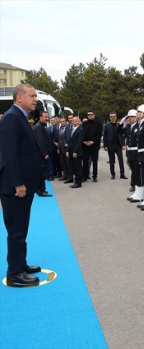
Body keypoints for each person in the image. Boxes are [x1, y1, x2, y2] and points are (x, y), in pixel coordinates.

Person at [0, 84, 43, 285]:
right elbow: (10, 153)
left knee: (21, 228)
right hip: (15, 187)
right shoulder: (11, 117)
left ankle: (20, 263)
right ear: (19, 98)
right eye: (32, 96)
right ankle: (15, 273)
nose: (35, 99)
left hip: (23, 185)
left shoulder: (19, 116)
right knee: (16, 230)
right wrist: (18, 182)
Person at [33, 111, 53, 197]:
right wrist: (45, 153)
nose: (47, 118)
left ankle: (39, 189)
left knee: (41, 172)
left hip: (41, 154)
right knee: (42, 173)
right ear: (40, 117)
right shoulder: (39, 127)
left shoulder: (40, 126)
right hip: (42, 155)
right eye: (45, 117)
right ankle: (42, 190)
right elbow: (40, 142)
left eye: (47, 117)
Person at [103, 112, 127, 180]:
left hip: (118, 145)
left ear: (116, 117)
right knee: (111, 160)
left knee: (121, 160)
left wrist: (123, 144)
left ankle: (122, 174)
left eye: (114, 116)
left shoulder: (119, 125)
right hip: (110, 145)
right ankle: (112, 174)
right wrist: (105, 145)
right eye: (111, 116)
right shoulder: (107, 126)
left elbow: (122, 135)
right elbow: (105, 136)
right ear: (109, 117)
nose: (113, 118)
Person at [120, 109, 139, 194]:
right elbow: (119, 131)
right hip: (129, 152)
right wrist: (122, 121)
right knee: (132, 168)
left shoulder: (139, 126)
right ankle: (134, 184)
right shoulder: (128, 126)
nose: (130, 118)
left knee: (136, 169)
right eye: (129, 117)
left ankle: (135, 185)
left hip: (136, 151)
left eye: (132, 117)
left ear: (136, 117)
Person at [82, 110, 103, 182]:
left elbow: (99, 134)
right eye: (88, 115)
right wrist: (84, 141)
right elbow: (82, 133)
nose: (89, 116)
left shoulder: (98, 123)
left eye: (91, 115)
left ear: (94, 115)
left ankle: (95, 176)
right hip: (85, 145)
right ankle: (85, 176)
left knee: (94, 161)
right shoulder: (84, 123)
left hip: (94, 145)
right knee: (85, 161)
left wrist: (93, 141)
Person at [66, 117, 84, 188]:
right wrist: (67, 150)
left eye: (76, 121)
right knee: (72, 166)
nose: (74, 122)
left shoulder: (81, 129)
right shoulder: (71, 129)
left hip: (77, 152)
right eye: (73, 121)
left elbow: (79, 142)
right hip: (70, 150)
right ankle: (74, 180)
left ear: (79, 122)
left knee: (78, 167)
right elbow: (70, 141)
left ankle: (78, 182)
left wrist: (75, 151)